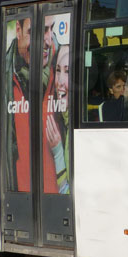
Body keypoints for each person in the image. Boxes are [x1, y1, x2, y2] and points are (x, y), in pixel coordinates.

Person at [5, 17, 32, 192]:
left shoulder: (57, 63)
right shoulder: (5, 70)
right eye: (31, 32)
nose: (42, 42)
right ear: (18, 29)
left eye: (49, 30)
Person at [45, 43, 70, 194]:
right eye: (58, 71)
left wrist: (58, 153)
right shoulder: (61, 120)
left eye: (67, 72)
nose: (59, 81)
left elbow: (67, 193)